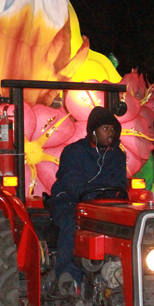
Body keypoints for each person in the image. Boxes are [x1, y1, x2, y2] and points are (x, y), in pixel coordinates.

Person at [49, 107, 126, 290]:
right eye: (105, 128)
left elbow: (120, 183)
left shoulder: (118, 155)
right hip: (71, 200)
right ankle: (68, 276)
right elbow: (71, 180)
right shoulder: (73, 151)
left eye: (112, 129)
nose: (110, 133)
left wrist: (113, 196)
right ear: (93, 132)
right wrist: (91, 195)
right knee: (71, 222)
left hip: (103, 205)